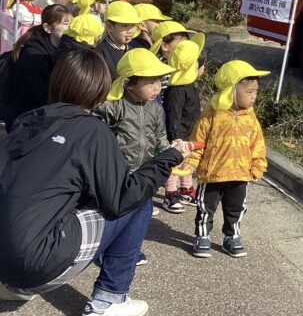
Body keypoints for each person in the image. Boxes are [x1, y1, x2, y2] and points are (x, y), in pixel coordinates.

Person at [0, 49, 187, 316]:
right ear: (100, 88)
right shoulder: (91, 130)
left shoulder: (30, 120)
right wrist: (170, 157)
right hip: (37, 260)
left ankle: (13, 284)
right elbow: (122, 199)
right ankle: (110, 298)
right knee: (139, 201)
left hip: (4, 259)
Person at [95, 48, 180, 264]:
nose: (157, 88)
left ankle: (130, 250)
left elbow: (160, 135)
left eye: (159, 81)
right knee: (115, 215)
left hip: (144, 171)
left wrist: (170, 152)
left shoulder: (155, 109)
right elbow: (97, 133)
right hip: (119, 173)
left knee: (139, 216)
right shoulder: (113, 105)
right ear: (129, 83)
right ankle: (105, 249)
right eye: (150, 82)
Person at [185, 60, 269, 258]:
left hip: (240, 174)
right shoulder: (211, 114)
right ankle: (203, 237)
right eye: (249, 92)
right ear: (231, 90)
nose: (254, 96)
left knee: (236, 208)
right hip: (212, 173)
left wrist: (257, 166)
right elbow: (198, 142)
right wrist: (191, 163)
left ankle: (232, 236)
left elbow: (257, 145)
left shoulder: (250, 116)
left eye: (256, 91)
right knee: (206, 208)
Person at [5, 4, 72, 128]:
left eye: (71, 24)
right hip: (26, 121)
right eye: (65, 24)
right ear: (48, 28)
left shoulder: (60, 47)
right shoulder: (35, 57)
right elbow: (42, 95)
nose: (70, 28)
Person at [162, 41, 205, 210]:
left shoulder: (189, 85)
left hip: (189, 133)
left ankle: (186, 189)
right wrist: (176, 137)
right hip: (178, 136)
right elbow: (173, 116)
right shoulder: (177, 89)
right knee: (175, 165)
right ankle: (170, 194)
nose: (203, 69)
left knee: (187, 162)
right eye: (201, 65)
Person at [96, 1, 142, 78]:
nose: (131, 31)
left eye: (133, 25)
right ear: (109, 26)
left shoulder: (134, 51)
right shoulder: (100, 54)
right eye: (125, 25)